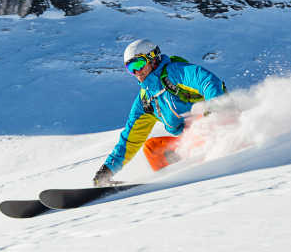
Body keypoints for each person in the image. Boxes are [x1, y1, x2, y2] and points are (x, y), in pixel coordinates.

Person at [93, 39, 226, 187]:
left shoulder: (175, 73)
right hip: (191, 142)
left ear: (152, 59)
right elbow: (129, 141)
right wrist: (106, 172)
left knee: (198, 124)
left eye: (138, 64)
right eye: (131, 68)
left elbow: (208, 82)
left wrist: (214, 114)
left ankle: (215, 162)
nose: (137, 72)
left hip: (216, 126)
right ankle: (174, 184)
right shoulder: (146, 101)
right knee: (153, 149)